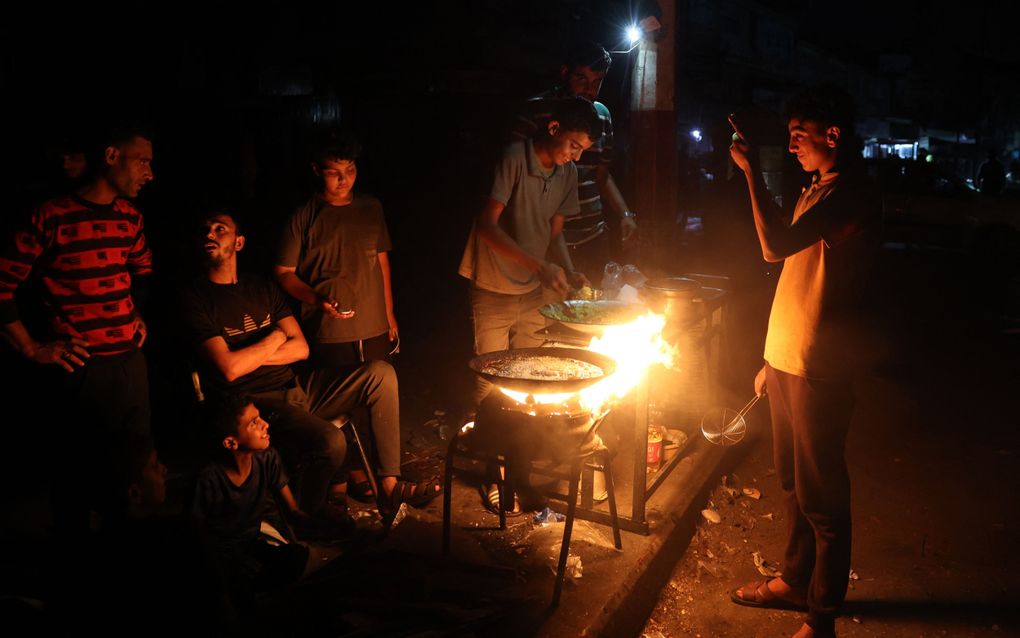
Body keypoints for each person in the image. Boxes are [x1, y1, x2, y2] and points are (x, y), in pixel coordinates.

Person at [726, 87, 882, 638]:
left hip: (820, 368)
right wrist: (772, 360)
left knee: (823, 499)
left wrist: (750, 173)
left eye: (800, 134)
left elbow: (774, 248)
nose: (791, 144)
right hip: (788, 360)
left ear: (832, 135)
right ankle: (795, 581)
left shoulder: (852, 196)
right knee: (792, 484)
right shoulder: (817, 188)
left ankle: (822, 618)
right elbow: (798, 275)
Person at [181, 211, 437, 518]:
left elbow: (300, 348)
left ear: (239, 242)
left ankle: (389, 486)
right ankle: (306, 515)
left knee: (380, 374)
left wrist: (250, 354)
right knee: (332, 440)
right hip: (253, 403)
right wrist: (276, 338)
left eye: (219, 229)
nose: (210, 234)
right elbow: (230, 369)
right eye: (205, 230)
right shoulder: (195, 298)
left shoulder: (260, 287)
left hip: (294, 387)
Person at [0, 122, 155, 532]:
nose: (149, 173)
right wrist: (32, 347)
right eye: (143, 161)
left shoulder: (130, 217)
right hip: (80, 370)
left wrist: (135, 313)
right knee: (76, 478)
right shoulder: (51, 217)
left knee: (134, 472)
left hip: (130, 364)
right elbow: (2, 286)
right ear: (110, 157)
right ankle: (75, 572)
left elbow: (142, 272)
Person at [459, 96, 600, 513]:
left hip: (532, 289)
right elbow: (486, 226)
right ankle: (494, 472)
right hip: (492, 282)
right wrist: (539, 267)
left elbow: (555, 234)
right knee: (490, 378)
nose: (575, 156)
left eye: (583, 152)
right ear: (553, 128)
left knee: (531, 379)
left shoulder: (567, 173)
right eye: (573, 145)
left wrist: (569, 273)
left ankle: (519, 469)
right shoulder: (513, 159)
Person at [512, 41, 638, 281]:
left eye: (597, 82)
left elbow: (601, 176)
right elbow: (515, 178)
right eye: (582, 79)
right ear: (565, 73)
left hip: (593, 236)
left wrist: (625, 215)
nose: (589, 89)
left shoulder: (602, 115)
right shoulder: (535, 111)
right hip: (546, 240)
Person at [275, 131, 398, 366]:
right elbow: (283, 273)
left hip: (374, 326)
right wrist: (315, 298)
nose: (344, 180)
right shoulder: (304, 215)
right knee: (339, 396)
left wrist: (389, 314)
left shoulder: (371, 208)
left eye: (350, 170)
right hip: (327, 331)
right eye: (334, 173)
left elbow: (382, 262)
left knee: (378, 388)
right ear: (316, 170)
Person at [190, 395, 318, 609]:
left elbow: (292, 511)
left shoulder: (267, 458)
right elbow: (194, 536)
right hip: (220, 557)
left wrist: (322, 523)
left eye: (259, 417)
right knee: (232, 591)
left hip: (251, 545)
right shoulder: (208, 479)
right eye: (253, 423)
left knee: (298, 558)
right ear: (231, 442)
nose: (265, 424)